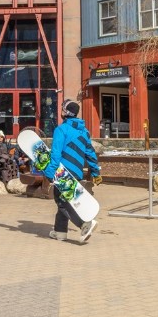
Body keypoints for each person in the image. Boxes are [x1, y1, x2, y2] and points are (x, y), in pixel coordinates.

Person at [47, 99, 101, 244]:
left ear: (64, 112)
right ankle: (60, 232)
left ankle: (84, 224)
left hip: (62, 171)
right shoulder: (84, 131)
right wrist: (96, 172)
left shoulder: (61, 130)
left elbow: (56, 154)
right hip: (77, 172)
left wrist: (50, 173)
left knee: (62, 202)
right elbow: (90, 153)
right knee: (65, 199)